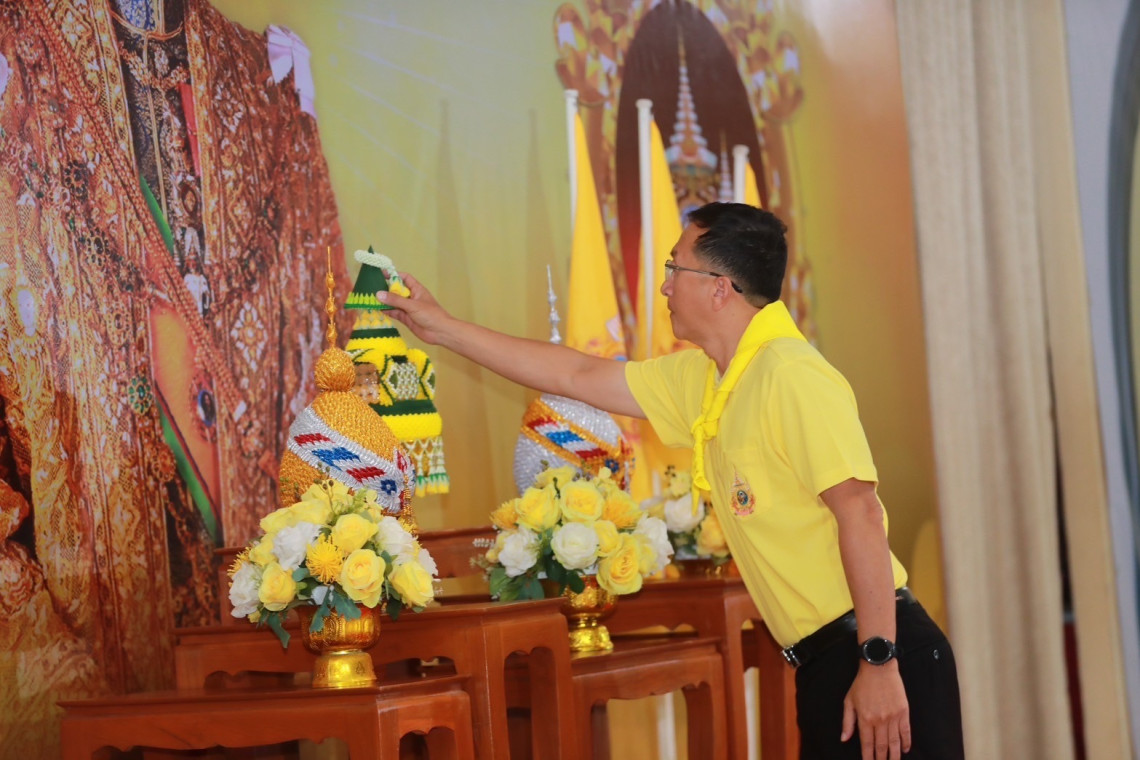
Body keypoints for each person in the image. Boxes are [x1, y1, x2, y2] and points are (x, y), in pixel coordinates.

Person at [380, 202, 964, 760]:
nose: (663, 286)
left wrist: (879, 661)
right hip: (829, 662)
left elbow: (860, 512)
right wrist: (444, 329)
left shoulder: (791, 374)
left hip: (878, 653)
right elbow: (576, 373)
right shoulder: (707, 379)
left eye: (673, 267)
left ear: (719, 287)